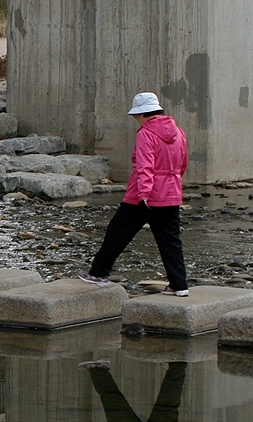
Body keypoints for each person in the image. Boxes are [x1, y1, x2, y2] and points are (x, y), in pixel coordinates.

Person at [79, 92, 190, 296]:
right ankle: (179, 285)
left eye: (136, 116)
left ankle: (98, 273)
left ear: (142, 114)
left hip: (143, 196)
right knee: (170, 240)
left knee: (117, 232)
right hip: (170, 194)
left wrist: (144, 196)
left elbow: (144, 167)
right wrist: (172, 186)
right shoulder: (179, 133)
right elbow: (182, 164)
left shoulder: (145, 134)